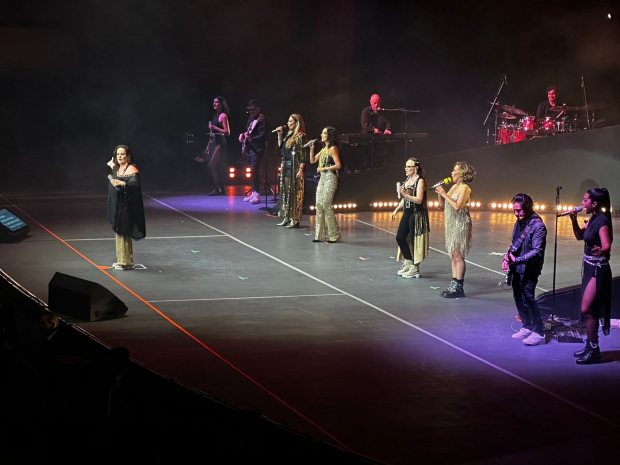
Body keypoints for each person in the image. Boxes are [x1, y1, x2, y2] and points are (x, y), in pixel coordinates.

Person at [569, 188, 613, 364]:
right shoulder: (593, 218)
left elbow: (607, 245)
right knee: (589, 310)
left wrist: (601, 250)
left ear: (594, 203)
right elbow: (580, 236)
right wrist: (573, 220)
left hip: (598, 268)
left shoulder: (602, 221)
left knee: (587, 309)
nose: (582, 203)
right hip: (589, 267)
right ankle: (590, 346)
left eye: (585, 200)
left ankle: (594, 350)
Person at [503, 194, 548, 346]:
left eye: (519, 211)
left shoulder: (538, 226)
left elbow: (537, 251)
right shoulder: (519, 223)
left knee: (528, 298)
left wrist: (518, 260)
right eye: (514, 211)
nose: (516, 214)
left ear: (528, 208)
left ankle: (539, 332)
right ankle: (527, 326)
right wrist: (507, 258)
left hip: (530, 268)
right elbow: (514, 245)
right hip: (517, 266)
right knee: (518, 297)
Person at [435, 161, 476, 297]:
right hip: (451, 224)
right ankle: (453, 285)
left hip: (460, 223)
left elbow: (458, 206)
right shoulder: (453, 187)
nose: (452, 173)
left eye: (455, 170)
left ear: (461, 174)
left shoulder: (465, 188)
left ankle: (459, 286)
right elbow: (442, 206)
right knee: (453, 254)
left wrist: (444, 194)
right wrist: (439, 193)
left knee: (458, 255)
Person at [107, 145, 146, 270]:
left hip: (127, 207)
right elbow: (117, 178)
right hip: (120, 205)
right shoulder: (119, 169)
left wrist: (122, 183)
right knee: (119, 232)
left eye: (122, 154)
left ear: (128, 156)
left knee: (124, 231)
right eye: (118, 154)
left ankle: (126, 262)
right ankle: (122, 260)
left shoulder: (132, 169)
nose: (119, 156)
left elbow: (134, 185)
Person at [392, 158, 430, 278]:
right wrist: (397, 209)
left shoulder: (420, 181)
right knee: (400, 237)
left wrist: (405, 194)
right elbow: (405, 199)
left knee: (415, 241)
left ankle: (415, 267)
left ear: (416, 168)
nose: (406, 169)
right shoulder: (408, 180)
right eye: (406, 167)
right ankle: (408, 261)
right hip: (407, 212)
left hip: (416, 213)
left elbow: (419, 200)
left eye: (409, 167)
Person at [309, 126, 342, 243]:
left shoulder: (333, 149)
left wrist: (324, 168)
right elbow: (312, 161)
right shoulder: (324, 149)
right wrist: (312, 149)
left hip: (330, 178)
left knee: (327, 204)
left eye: (324, 133)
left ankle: (334, 235)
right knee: (319, 204)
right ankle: (319, 235)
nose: (322, 135)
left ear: (329, 136)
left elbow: (338, 165)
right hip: (322, 178)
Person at [276, 114, 307, 228]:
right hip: (286, 165)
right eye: (288, 121)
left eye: (290, 121)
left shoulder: (300, 136)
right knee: (286, 192)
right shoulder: (288, 135)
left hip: (294, 166)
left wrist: (300, 170)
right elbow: (282, 148)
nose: (288, 123)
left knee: (293, 193)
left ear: (296, 122)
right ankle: (287, 216)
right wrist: (280, 135)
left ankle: (295, 218)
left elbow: (303, 155)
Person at [195, 96, 230, 196]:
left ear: (221, 104)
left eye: (216, 102)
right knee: (215, 166)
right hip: (214, 141)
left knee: (212, 165)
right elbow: (212, 134)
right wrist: (208, 146)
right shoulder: (215, 115)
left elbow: (227, 132)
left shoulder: (223, 116)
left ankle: (217, 188)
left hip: (220, 141)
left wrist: (214, 127)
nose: (214, 104)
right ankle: (220, 188)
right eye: (213, 102)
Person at [239, 100, 267, 204]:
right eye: (250, 110)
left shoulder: (262, 119)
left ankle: (257, 194)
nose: (251, 112)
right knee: (252, 170)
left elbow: (263, 134)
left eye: (253, 109)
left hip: (258, 148)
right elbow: (248, 131)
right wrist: (243, 134)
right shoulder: (250, 119)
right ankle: (254, 191)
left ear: (258, 109)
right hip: (250, 147)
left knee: (255, 169)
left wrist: (252, 139)